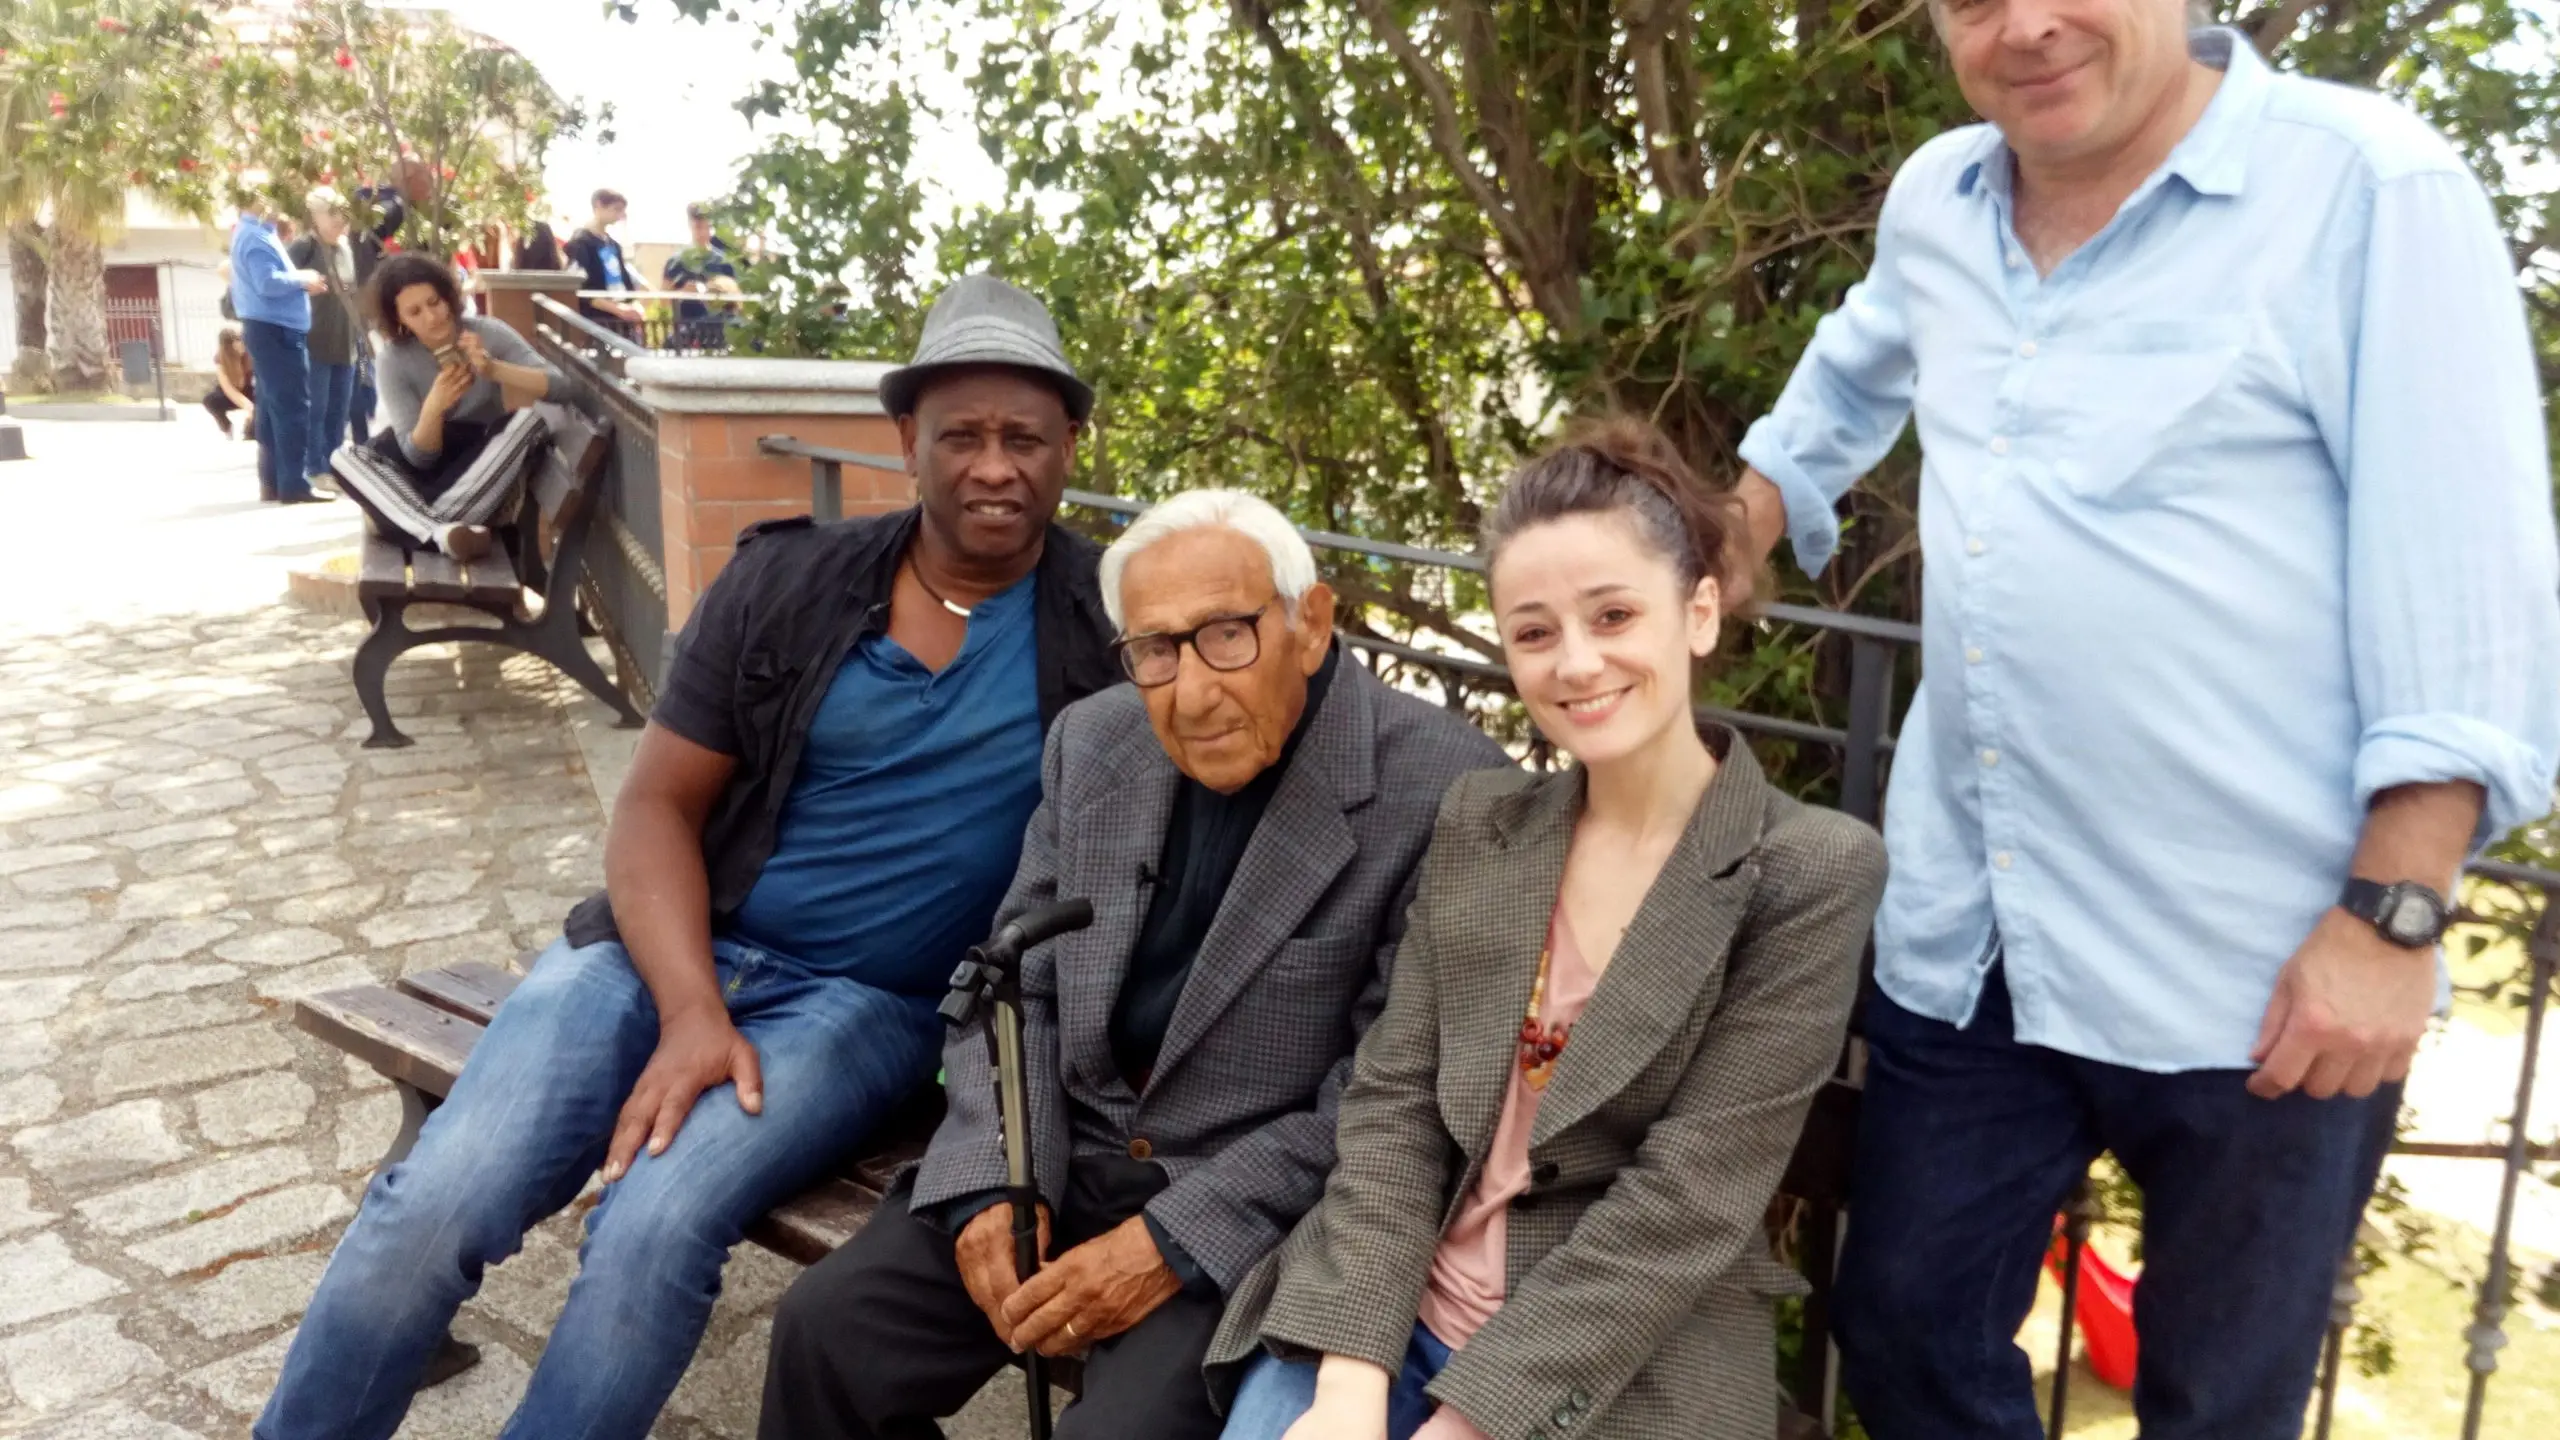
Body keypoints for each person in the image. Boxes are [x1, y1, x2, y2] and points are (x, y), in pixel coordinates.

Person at [1726, 11, 2560, 1439]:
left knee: (2214, 1405)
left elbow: (2468, 572)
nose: (2026, 26)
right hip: (1980, 935)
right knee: (1904, 1326)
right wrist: (1729, 532)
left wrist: (2394, 916)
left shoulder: (2367, 190)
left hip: (2262, 967)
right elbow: (1851, 370)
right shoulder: (1939, 197)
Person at [255, 274, 1125, 1440]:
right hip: (656, 947)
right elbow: (656, 807)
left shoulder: (1110, 634)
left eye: (1025, 438)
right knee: (439, 1199)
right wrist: (693, 1010)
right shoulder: (788, 583)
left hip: (867, 1007)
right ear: (905, 439)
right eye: (961, 435)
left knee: (656, 1226)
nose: (994, 467)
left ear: (1070, 447)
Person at [757, 486, 1511, 1440]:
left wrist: (1166, 1241)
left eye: (1227, 636)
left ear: (1311, 624)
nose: (1190, 693)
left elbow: (1388, 1097)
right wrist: (996, 1178)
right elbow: (1009, 983)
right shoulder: (1096, 741)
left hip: (1247, 1210)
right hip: (1055, 1149)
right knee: (826, 1337)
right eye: (1155, 649)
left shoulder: (1450, 790)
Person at [1212, 421, 1887, 1440]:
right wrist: (1349, 1383)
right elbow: (1396, 1105)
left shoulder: (1805, 872)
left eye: (1613, 615)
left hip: (1617, 1363)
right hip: (1391, 1307)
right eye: (1533, 633)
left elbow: (1686, 1204)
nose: (1576, 663)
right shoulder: (1484, 825)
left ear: (1699, 612)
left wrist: (1464, 1427)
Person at [326, 254, 557, 560]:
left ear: (447, 296)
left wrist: (494, 369)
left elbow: (561, 384)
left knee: (529, 421)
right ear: (400, 320)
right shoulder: (393, 360)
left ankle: (407, 522)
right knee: (345, 457)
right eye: (415, 312)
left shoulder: (487, 333)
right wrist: (433, 407)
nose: (431, 317)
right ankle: (440, 533)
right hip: (424, 476)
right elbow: (419, 459)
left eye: (434, 302)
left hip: (479, 468)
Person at [228, 204, 332, 505]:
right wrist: (303, 279)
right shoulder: (256, 237)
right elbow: (267, 282)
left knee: (273, 410)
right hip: (277, 331)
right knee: (291, 408)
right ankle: (293, 484)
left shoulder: (254, 233)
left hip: (269, 329)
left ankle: (274, 482)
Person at [290, 187, 364, 498]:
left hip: (345, 343)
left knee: (339, 412)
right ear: (315, 216)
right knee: (316, 411)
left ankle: (336, 469)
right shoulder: (303, 247)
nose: (339, 220)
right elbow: (286, 286)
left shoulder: (346, 249)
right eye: (331, 213)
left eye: (342, 213)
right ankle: (315, 469)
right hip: (314, 342)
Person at [344, 183, 407, 445]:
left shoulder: (358, 234)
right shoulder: (387, 215)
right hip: (376, 309)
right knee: (370, 372)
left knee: (367, 373)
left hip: (369, 309)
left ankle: (365, 435)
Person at [564, 188, 646, 337]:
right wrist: (618, 309)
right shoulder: (580, 242)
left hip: (622, 322)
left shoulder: (614, 245)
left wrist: (633, 307)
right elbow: (581, 288)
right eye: (616, 209)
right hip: (597, 321)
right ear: (598, 205)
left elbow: (626, 284)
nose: (620, 215)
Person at [663, 202, 738, 350]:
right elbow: (663, 301)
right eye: (698, 227)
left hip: (719, 334)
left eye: (707, 227)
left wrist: (713, 290)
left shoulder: (724, 261)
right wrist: (682, 294)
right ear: (689, 225)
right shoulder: (676, 261)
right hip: (687, 336)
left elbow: (736, 302)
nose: (703, 233)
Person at [201, 328, 254, 441]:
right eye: (238, 340)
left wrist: (252, 411)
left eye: (242, 339)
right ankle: (227, 426)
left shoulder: (250, 356)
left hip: (247, 389)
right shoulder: (220, 360)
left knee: (264, 398)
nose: (242, 343)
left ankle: (250, 430)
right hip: (229, 393)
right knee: (210, 400)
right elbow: (229, 390)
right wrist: (247, 405)